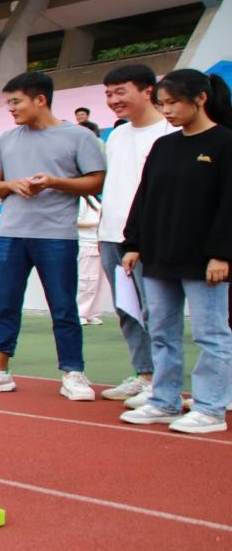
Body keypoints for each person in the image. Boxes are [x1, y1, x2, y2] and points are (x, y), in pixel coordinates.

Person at [0, 72, 105, 400]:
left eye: (16, 102)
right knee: (4, 303)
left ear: (40, 99)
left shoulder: (79, 137)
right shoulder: (6, 139)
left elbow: (96, 182)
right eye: (8, 103)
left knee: (63, 306)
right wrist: (11, 185)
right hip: (12, 234)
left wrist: (54, 181)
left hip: (57, 235)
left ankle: (73, 372)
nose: (11, 108)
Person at [119, 69, 232, 434]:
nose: (166, 110)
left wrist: (222, 253)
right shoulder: (164, 146)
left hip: (204, 259)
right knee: (162, 332)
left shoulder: (225, 142)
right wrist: (133, 244)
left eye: (173, 103)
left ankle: (211, 408)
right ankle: (164, 401)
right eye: (161, 104)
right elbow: (145, 197)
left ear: (200, 99)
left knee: (210, 334)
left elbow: (230, 204)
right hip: (159, 255)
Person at [98, 64, 174, 407]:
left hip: (149, 238)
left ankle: (163, 382)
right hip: (111, 235)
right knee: (126, 309)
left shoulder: (169, 132)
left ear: (147, 91)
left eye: (120, 92)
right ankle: (144, 374)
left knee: (156, 311)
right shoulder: (116, 135)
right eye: (108, 94)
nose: (113, 100)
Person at [76, 196, 109, 326]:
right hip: (86, 243)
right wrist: (98, 223)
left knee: (100, 283)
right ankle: (80, 313)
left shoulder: (100, 199)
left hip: (99, 243)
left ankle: (92, 313)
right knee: (86, 281)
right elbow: (76, 222)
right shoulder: (83, 199)